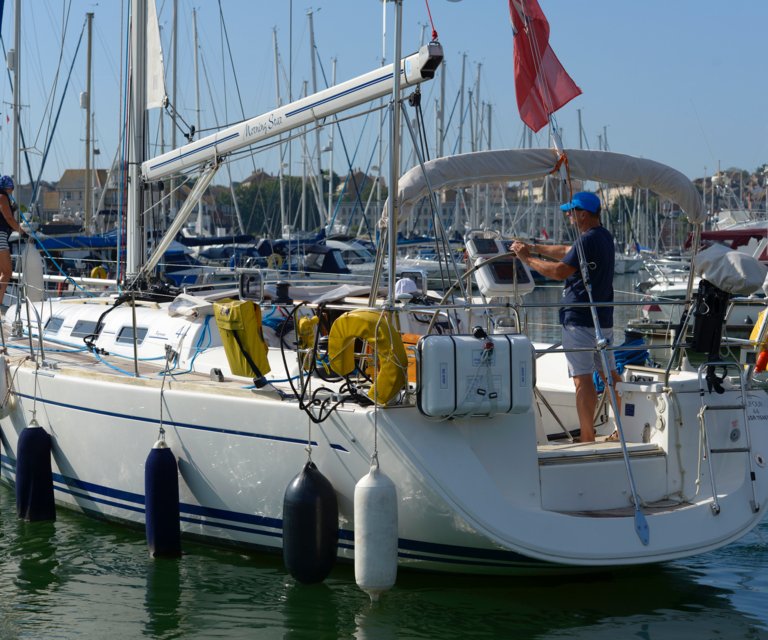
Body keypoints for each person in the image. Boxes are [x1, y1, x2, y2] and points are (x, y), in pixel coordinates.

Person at [510, 191, 621, 443]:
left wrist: (527, 259)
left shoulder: (586, 240)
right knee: (610, 376)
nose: (568, 215)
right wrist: (535, 247)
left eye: (572, 211)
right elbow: (564, 250)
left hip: (579, 320)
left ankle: (586, 437)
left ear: (583, 213)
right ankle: (621, 430)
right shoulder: (603, 237)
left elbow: (560, 271)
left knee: (582, 380)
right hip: (603, 320)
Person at [0, 175, 27, 306]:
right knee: (7, 272)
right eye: (10, 188)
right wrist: (22, 232)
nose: (11, 191)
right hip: (0, 237)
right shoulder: (2, 197)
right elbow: (9, 219)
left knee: (1, 272)